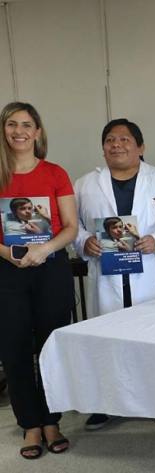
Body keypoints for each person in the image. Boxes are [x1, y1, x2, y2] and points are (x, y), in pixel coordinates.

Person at [74, 118, 155, 430]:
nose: (116, 145)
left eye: (124, 139)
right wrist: (84, 242)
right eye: (110, 140)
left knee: (153, 338)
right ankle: (106, 403)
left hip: (150, 272)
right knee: (107, 339)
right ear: (103, 148)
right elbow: (72, 224)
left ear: (140, 147)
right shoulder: (85, 184)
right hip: (106, 274)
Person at [0, 102, 78, 459]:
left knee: (51, 344)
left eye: (26, 125)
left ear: (38, 132)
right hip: (7, 269)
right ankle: (29, 423)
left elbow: (71, 227)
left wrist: (44, 249)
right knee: (14, 346)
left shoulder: (55, 173)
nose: (19, 131)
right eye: (11, 124)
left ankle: (51, 419)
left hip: (50, 266)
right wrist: (8, 254)